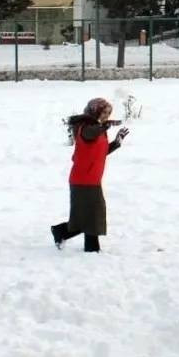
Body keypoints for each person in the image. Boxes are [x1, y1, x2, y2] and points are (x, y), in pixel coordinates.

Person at [51, 98, 129, 252]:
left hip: (91, 179)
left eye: (108, 113)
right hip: (83, 179)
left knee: (90, 214)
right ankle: (86, 245)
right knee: (93, 213)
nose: (106, 116)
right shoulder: (86, 127)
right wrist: (105, 126)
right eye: (104, 112)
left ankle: (68, 236)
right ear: (95, 111)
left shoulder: (98, 130)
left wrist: (116, 142)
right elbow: (90, 134)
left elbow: (100, 152)